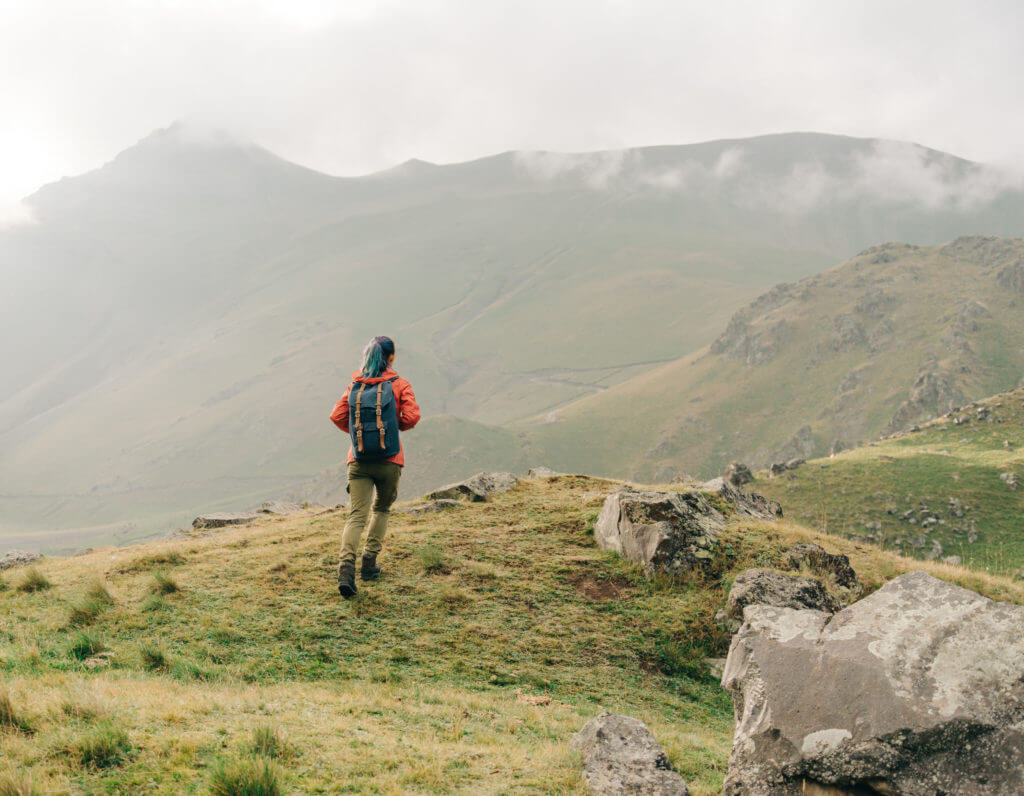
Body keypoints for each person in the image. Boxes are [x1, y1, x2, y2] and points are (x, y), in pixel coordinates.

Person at [329, 336, 420, 598]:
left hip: (358, 460)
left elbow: (336, 416)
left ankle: (346, 570)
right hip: (389, 460)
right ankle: (369, 564)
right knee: (381, 509)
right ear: (391, 357)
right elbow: (412, 416)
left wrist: (357, 432)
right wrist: (392, 429)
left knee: (356, 516)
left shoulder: (355, 385)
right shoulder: (400, 384)